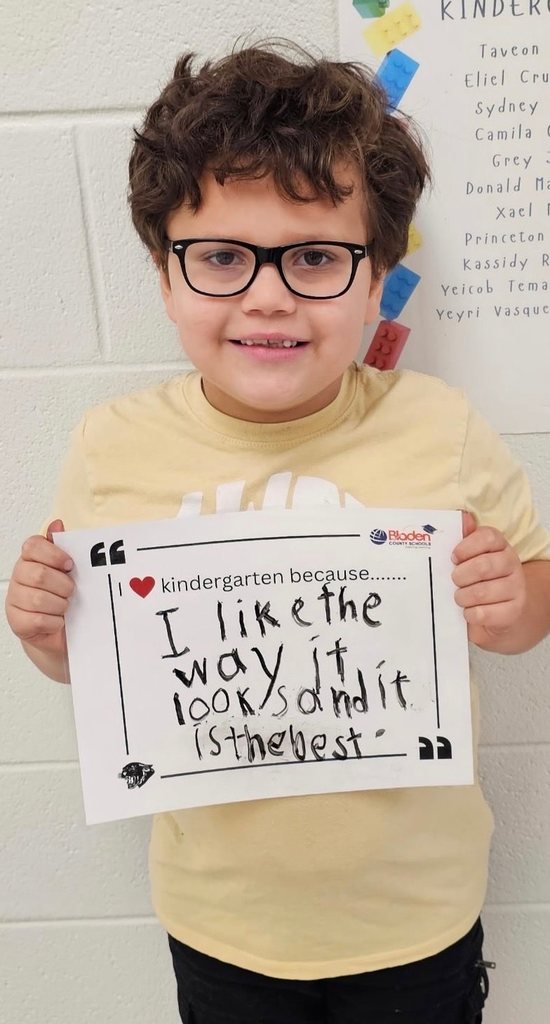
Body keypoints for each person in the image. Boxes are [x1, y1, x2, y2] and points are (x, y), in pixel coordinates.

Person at [5, 42, 550, 1024]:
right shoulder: (111, 447)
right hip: (221, 924)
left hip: (416, 919)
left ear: (377, 272)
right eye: (219, 256)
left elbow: (531, 595)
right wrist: (49, 636)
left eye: (314, 257)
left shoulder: (440, 428)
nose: (267, 295)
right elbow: (99, 666)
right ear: (164, 274)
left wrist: (512, 604)